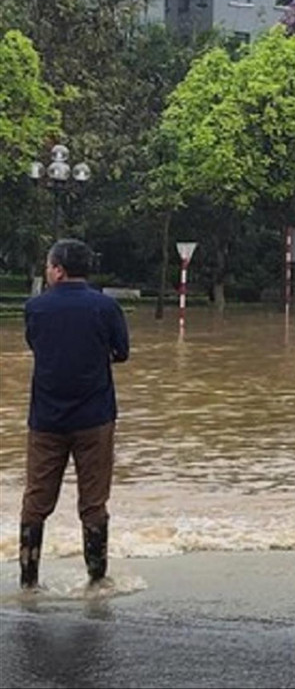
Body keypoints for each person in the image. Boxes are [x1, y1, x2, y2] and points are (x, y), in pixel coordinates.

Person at [19, 239, 130, 590]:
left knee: (36, 501)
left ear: (58, 269)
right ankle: (96, 581)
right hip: (95, 418)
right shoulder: (106, 307)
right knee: (94, 502)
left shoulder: (35, 308)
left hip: (46, 420)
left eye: (48, 266)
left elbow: (36, 345)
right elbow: (122, 352)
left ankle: (28, 581)